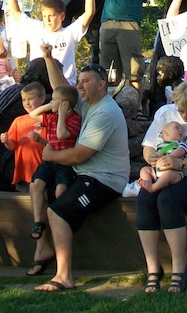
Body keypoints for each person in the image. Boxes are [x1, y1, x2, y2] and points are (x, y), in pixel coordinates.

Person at [31, 58, 130, 293]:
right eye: (79, 81)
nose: (80, 86)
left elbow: (79, 155)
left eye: (86, 81)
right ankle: (44, 248)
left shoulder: (104, 112)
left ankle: (64, 276)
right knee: (40, 188)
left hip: (103, 180)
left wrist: (51, 156)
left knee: (57, 212)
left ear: (102, 84)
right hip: (86, 175)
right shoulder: (88, 103)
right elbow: (61, 89)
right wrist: (47, 58)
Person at [136, 80, 187, 294]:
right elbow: (148, 146)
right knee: (145, 199)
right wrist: (152, 157)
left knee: (168, 200)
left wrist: (180, 163)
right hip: (163, 171)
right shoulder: (165, 113)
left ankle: (180, 268)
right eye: (181, 110)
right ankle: (153, 268)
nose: (185, 116)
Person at [2, 0, 95, 84]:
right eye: (45, 16)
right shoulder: (36, 28)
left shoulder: (69, 33)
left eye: (51, 16)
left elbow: (89, 13)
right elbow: (16, 12)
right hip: (38, 84)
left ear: (61, 16)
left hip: (63, 84)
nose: (48, 19)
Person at [25, 81, 81, 252]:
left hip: (63, 163)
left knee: (60, 190)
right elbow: (33, 114)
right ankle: (38, 221)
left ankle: (58, 220)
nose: (51, 103)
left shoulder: (73, 119)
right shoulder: (51, 118)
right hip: (49, 161)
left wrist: (62, 115)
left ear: (65, 105)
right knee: (36, 185)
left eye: (54, 100)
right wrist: (51, 106)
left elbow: (61, 135)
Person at [0, 82, 48, 193]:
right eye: (24, 100)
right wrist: (5, 141)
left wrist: (40, 140)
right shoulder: (18, 121)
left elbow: (54, 145)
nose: (27, 103)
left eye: (30, 99)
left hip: (44, 171)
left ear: (42, 99)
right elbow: (12, 146)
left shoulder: (49, 120)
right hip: (24, 173)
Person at [138, 121, 187, 193]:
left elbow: (182, 151)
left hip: (174, 172)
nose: (181, 130)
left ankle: (153, 188)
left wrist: (170, 157)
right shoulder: (160, 145)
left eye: (182, 130)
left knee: (168, 174)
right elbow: (152, 153)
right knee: (145, 170)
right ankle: (147, 182)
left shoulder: (178, 143)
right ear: (166, 133)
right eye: (177, 128)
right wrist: (153, 157)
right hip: (158, 171)